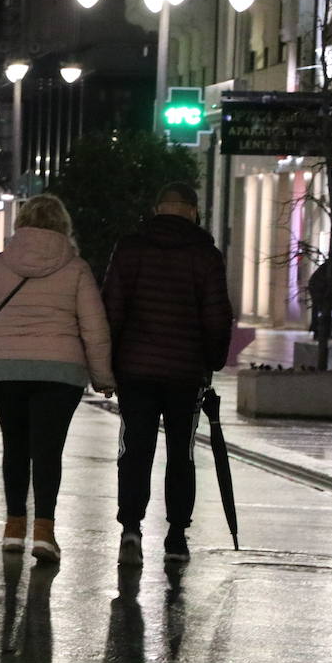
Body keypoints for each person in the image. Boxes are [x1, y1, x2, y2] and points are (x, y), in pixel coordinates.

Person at [0, 194, 114, 560]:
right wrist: (102, 376)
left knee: (14, 446)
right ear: (63, 225)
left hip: (5, 369)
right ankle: (44, 534)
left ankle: (13, 529)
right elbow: (94, 328)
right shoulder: (77, 268)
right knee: (48, 451)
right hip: (60, 371)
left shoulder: (0, 263)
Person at [101, 182, 233, 565]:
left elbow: (112, 309)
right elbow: (217, 317)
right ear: (192, 211)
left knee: (135, 450)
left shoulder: (129, 248)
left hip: (136, 371)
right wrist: (212, 362)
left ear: (157, 209)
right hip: (185, 373)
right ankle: (176, 535)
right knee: (181, 453)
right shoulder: (205, 256)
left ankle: (131, 530)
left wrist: (108, 363)